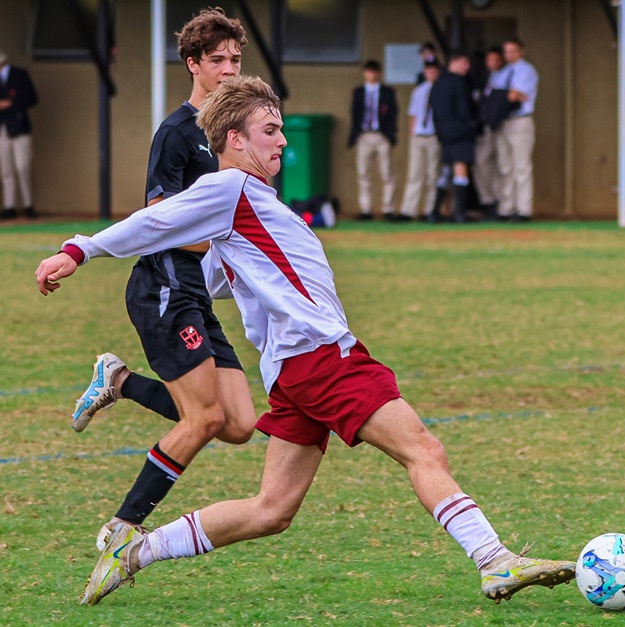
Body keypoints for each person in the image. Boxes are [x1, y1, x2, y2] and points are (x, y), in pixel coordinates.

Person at [33, 75, 576, 607]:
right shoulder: (229, 187)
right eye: (270, 130)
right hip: (323, 357)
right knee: (424, 449)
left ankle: (134, 552)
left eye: (283, 129)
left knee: (272, 510)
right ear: (235, 140)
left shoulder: (245, 207)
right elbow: (153, 223)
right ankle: (493, 559)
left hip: (293, 370)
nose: (284, 141)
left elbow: (232, 278)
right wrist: (78, 250)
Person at [70, 8, 258, 553]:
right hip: (165, 286)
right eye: (218, 60)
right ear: (194, 64)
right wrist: (221, 237)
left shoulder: (233, 136)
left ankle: (118, 380)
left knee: (240, 423)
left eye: (236, 59)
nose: (228, 69)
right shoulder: (178, 132)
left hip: (196, 290)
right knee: (203, 419)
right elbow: (160, 218)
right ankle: (123, 528)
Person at [429, 53, 477, 224]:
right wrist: (469, 128)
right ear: (453, 62)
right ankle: (459, 213)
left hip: (444, 134)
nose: (467, 67)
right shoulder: (457, 82)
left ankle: (434, 212)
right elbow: (463, 111)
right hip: (459, 134)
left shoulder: (438, 83)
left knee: (446, 173)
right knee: (460, 168)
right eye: (464, 62)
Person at [347, 60, 398, 221]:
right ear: (365, 73)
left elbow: (393, 113)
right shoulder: (359, 92)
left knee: (387, 173)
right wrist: (355, 134)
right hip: (364, 135)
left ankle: (388, 209)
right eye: (369, 71)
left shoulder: (387, 92)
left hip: (381, 135)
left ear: (379, 73)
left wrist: (390, 133)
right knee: (363, 173)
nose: (372, 75)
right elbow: (354, 114)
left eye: (375, 72)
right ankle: (366, 209)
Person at [494, 38, 538, 222]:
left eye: (513, 51)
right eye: (506, 51)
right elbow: (495, 96)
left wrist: (502, 97)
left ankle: (524, 210)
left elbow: (514, 96)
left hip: (521, 121)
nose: (510, 54)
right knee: (505, 167)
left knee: (522, 166)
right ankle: (507, 207)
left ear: (521, 51)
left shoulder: (526, 70)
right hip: (503, 122)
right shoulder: (501, 73)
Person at [397, 61, 441, 222]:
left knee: (432, 175)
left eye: (434, 71)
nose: (432, 74)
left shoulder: (441, 90)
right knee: (414, 174)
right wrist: (412, 134)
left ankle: (430, 210)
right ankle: (408, 210)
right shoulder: (419, 90)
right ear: (425, 72)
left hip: (434, 136)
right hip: (419, 135)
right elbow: (412, 114)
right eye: (429, 71)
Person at [0, 50, 38, 220]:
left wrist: (10, 104)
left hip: (19, 127)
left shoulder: (19, 75)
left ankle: (28, 205)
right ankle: (10, 206)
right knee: (5, 168)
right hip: (2, 128)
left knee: (22, 166)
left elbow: (32, 98)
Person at [473, 47, 505, 220]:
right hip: (483, 129)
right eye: (490, 60)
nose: (493, 63)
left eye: (497, 60)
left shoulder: (507, 76)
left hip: (500, 127)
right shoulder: (482, 78)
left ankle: (502, 204)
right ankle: (488, 202)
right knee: (481, 164)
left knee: (502, 166)